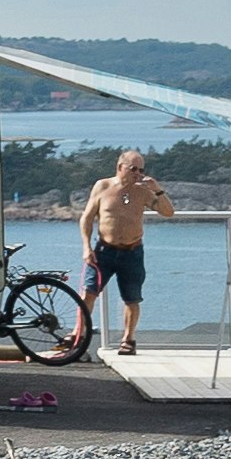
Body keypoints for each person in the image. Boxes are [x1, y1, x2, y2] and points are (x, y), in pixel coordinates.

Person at [77, 148, 174, 346]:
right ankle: (78, 334)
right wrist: (86, 247)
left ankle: (128, 339)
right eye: (133, 169)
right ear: (120, 167)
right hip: (103, 250)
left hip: (132, 251)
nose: (138, 174)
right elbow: (87, 218)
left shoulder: (142, 191)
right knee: (88, 293)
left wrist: (157, 189)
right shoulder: (102, 186)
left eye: (141, 170)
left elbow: (168, 212)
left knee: (132, 299)